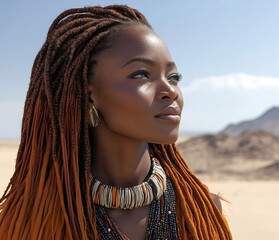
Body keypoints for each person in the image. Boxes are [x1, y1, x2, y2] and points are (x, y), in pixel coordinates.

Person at [0, 5, 232, 240]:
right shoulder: (34, 226)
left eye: (173, 77)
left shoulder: (202, 214)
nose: (170, 91)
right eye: (141, 74)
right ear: (89, 94)